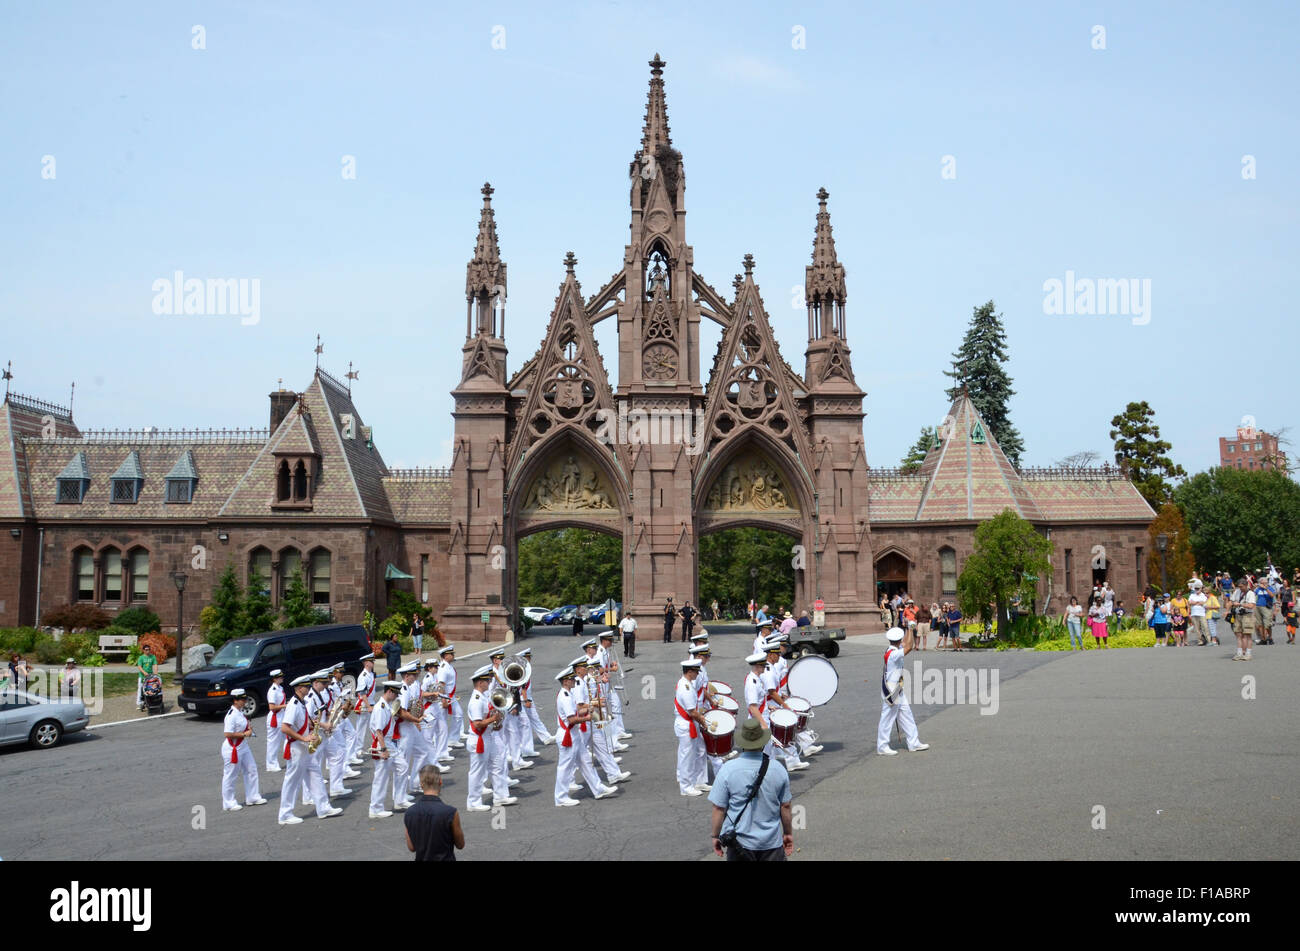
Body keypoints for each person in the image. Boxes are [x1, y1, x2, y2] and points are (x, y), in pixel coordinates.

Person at [708, 717, 793, 861]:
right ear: (762, 742)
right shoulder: (778, 769)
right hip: (771, 843)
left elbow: (718, 808)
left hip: (739, 844)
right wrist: (787, 833)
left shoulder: (728, 769)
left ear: (742, 743)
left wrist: (716, 836)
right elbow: (785, 806)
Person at [277, 674, 340, 825]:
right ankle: (285, 814)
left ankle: (323, 807)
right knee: (292, 781)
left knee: (315, 775)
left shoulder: (301, 702)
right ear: (299, 688)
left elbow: (304, 723)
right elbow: (285, 728)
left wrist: (312, 729)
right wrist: (304, 738)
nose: (308, 688)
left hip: (304, 748)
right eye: (306, 686)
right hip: (296, 748)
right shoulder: (293, 704)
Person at [552, 665, 616, 806]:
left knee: (586, 762)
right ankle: (560, 797)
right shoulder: (565, 697)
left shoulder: (568, 694)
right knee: (565, 768)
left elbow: (575, 713)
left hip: (573, 734)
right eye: (571, 679)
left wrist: (588, 709)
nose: (574, 681)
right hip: (567, 735)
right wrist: (588, 717)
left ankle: (598, 789)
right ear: (565, 681)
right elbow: (571, 720)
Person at [465, 665, 515, 812]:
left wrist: (495, 725)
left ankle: (500, 796)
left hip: (488, 736)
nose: (489, 682)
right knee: (477, 772)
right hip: (479, 739)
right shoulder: (476, 700)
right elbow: (477, 723)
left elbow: (485, 720)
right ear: (480, 682)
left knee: (497, 765)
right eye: (487, 680)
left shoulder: (483, 696)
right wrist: (494, 719)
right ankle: (473, 802)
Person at [878, 627, 928, 755]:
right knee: (887, 719)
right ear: (898, 640)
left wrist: (908, 630)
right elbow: (909, 646)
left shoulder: (893, 649)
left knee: (907, 715)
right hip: (892, 690)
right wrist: (910, 630)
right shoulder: (894, 654)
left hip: (898, 687)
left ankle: (913, 742)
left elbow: (906, 643)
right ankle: (882, 746)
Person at [367, 680, 411, 818]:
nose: (397, 697)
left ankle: (400, 799)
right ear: (390, 691)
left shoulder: (387, 705)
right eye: (395, 694)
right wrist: (384, 749)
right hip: (383, 744)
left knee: (403, 767)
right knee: (381, 777)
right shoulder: (380, 707)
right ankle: (375, 809)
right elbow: (378, 731)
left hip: (389, 743)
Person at [404, 764, 465, 861]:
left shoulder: (410, 813)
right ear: (440, 782)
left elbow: (412, 847)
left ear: (421, 784)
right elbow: (460, 844)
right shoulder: (450, 812)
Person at [220, 689, 266, 811]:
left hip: (243, 746)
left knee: (251, 769)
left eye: (245, 699)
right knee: (231, 775)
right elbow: (228, 734)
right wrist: (245, 734)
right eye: (242, 699)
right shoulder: (231, 715)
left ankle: (253, 796)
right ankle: (228, 802)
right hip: (232, 748)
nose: (244, 701)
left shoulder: (240, 712)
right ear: (235, 700)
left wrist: (248, 730)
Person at [674, 658, 708, 796]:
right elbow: (692, 711)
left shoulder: (687, 683)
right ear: (689, 671)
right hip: (687, 724)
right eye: (695, 672)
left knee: (699, 751)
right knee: (687, 756)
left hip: (690, 723)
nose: (697, 674)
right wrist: (704, 722)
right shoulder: (686, 687)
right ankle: (686, 786)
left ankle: (698, 780)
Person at [264, 669, 287, 772]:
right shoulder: (272, 690)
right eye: (279, 677)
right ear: (274, 679)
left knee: (288, 738)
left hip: (282, 716)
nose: (282, 678)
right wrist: (285, 705)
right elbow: (272, 707)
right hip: (275, 717)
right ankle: (271, 764)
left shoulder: (279, 688)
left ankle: (290, 758)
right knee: (274, 742)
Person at [1229, 578, 1256, 660]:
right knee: (1238, 634)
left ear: (1246, 585)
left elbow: (1252, 605)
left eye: (1242, 586)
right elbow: (1232, 601)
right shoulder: (1237, 592)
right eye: (1239, 586)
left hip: (1247, 615)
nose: (1240, 588)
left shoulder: (1251, 593)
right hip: (1238, 615)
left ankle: (1248, 653)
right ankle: (1239, 653)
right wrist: (1232, 605)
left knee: (1247, 635)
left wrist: (1241, 604)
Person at [135, 644, 157, 711]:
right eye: (146, 650)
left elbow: (155, 665)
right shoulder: (141, 658)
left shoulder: (152, 657)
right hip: (142, 677)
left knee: (150, 688)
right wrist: (144, 673)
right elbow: (139, 667)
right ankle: (139, 702)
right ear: (143, 650)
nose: (148, 651)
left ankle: (151, 700)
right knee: (141, 689)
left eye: (149, 649)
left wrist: (156, 673)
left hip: (150, 676)